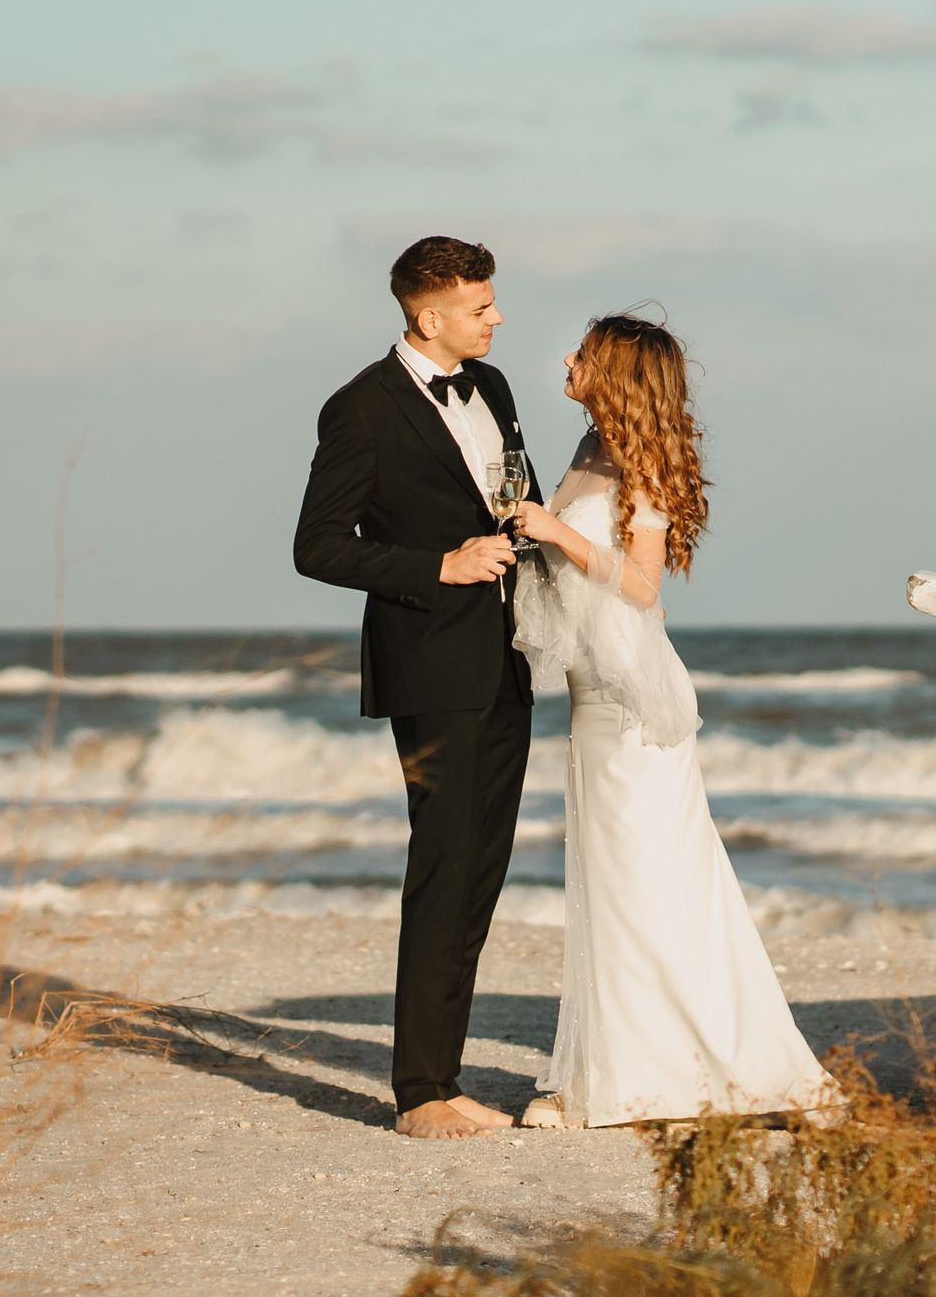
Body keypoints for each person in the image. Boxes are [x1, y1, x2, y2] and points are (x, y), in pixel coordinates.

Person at [506, 312, 835, 1128]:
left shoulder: (642, 462)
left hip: (630, 701)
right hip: (590, 696)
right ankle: (616, 1075)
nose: (570, 358)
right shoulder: (589, 450)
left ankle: (728, 1072)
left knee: (658, 880)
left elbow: (643, 587)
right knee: (609, 886)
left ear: (614, 371)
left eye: (585, 351)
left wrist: (550, 530)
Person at [292, 237, 537, 1140]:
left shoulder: (497, 389)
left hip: (509, 657)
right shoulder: (359, 409)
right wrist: (439, 564)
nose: (497, 318)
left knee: (482, 869)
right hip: (430, 664)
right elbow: (317, 545)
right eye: (481, 307)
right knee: (442, 866)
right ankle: (420, 1093)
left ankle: (448, 1075)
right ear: (428, 315)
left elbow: (514, 500)